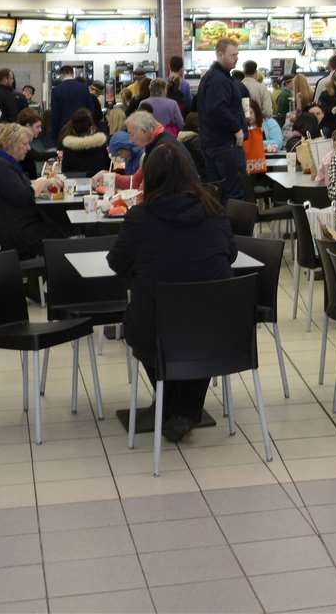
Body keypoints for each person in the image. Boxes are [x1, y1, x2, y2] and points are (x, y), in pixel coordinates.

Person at [104, 138, 234, 444]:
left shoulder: (140, 218)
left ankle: (174, 408)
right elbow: (230, 253)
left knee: (153, 333)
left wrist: (140, 277)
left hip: (154, 325)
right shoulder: (213, 210)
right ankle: (185, 411)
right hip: (216, 325)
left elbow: (116, 261)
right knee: (195, 337)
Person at [0, 124, 64, 259]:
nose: (29, 148)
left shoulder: (1, 164)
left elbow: (17, 188)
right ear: (9, 145)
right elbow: (24, 196)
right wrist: (43, 182)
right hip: (14, 235)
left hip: (11, 229)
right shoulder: (0, 167)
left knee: (57, 227)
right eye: (24, 144)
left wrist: (39, 184)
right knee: (61, 233)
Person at [196, 37, 249, 200]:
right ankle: (233, 226)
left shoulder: (218, 77)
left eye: (237, 54)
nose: (236, 58)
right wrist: (237, 128)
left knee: (221, 194)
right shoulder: (218, 79)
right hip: (223, 146)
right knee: (233, 194)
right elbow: (217, 109)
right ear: (220, 54)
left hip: (217, 145)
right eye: (232, 55)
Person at [58, 108, 110, 175]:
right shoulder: (100, 145)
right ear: (91, 128)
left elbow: (65, 171)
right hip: (98, 183)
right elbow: (107, 167)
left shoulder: (68, 148)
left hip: (74, 183)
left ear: (73, 128)